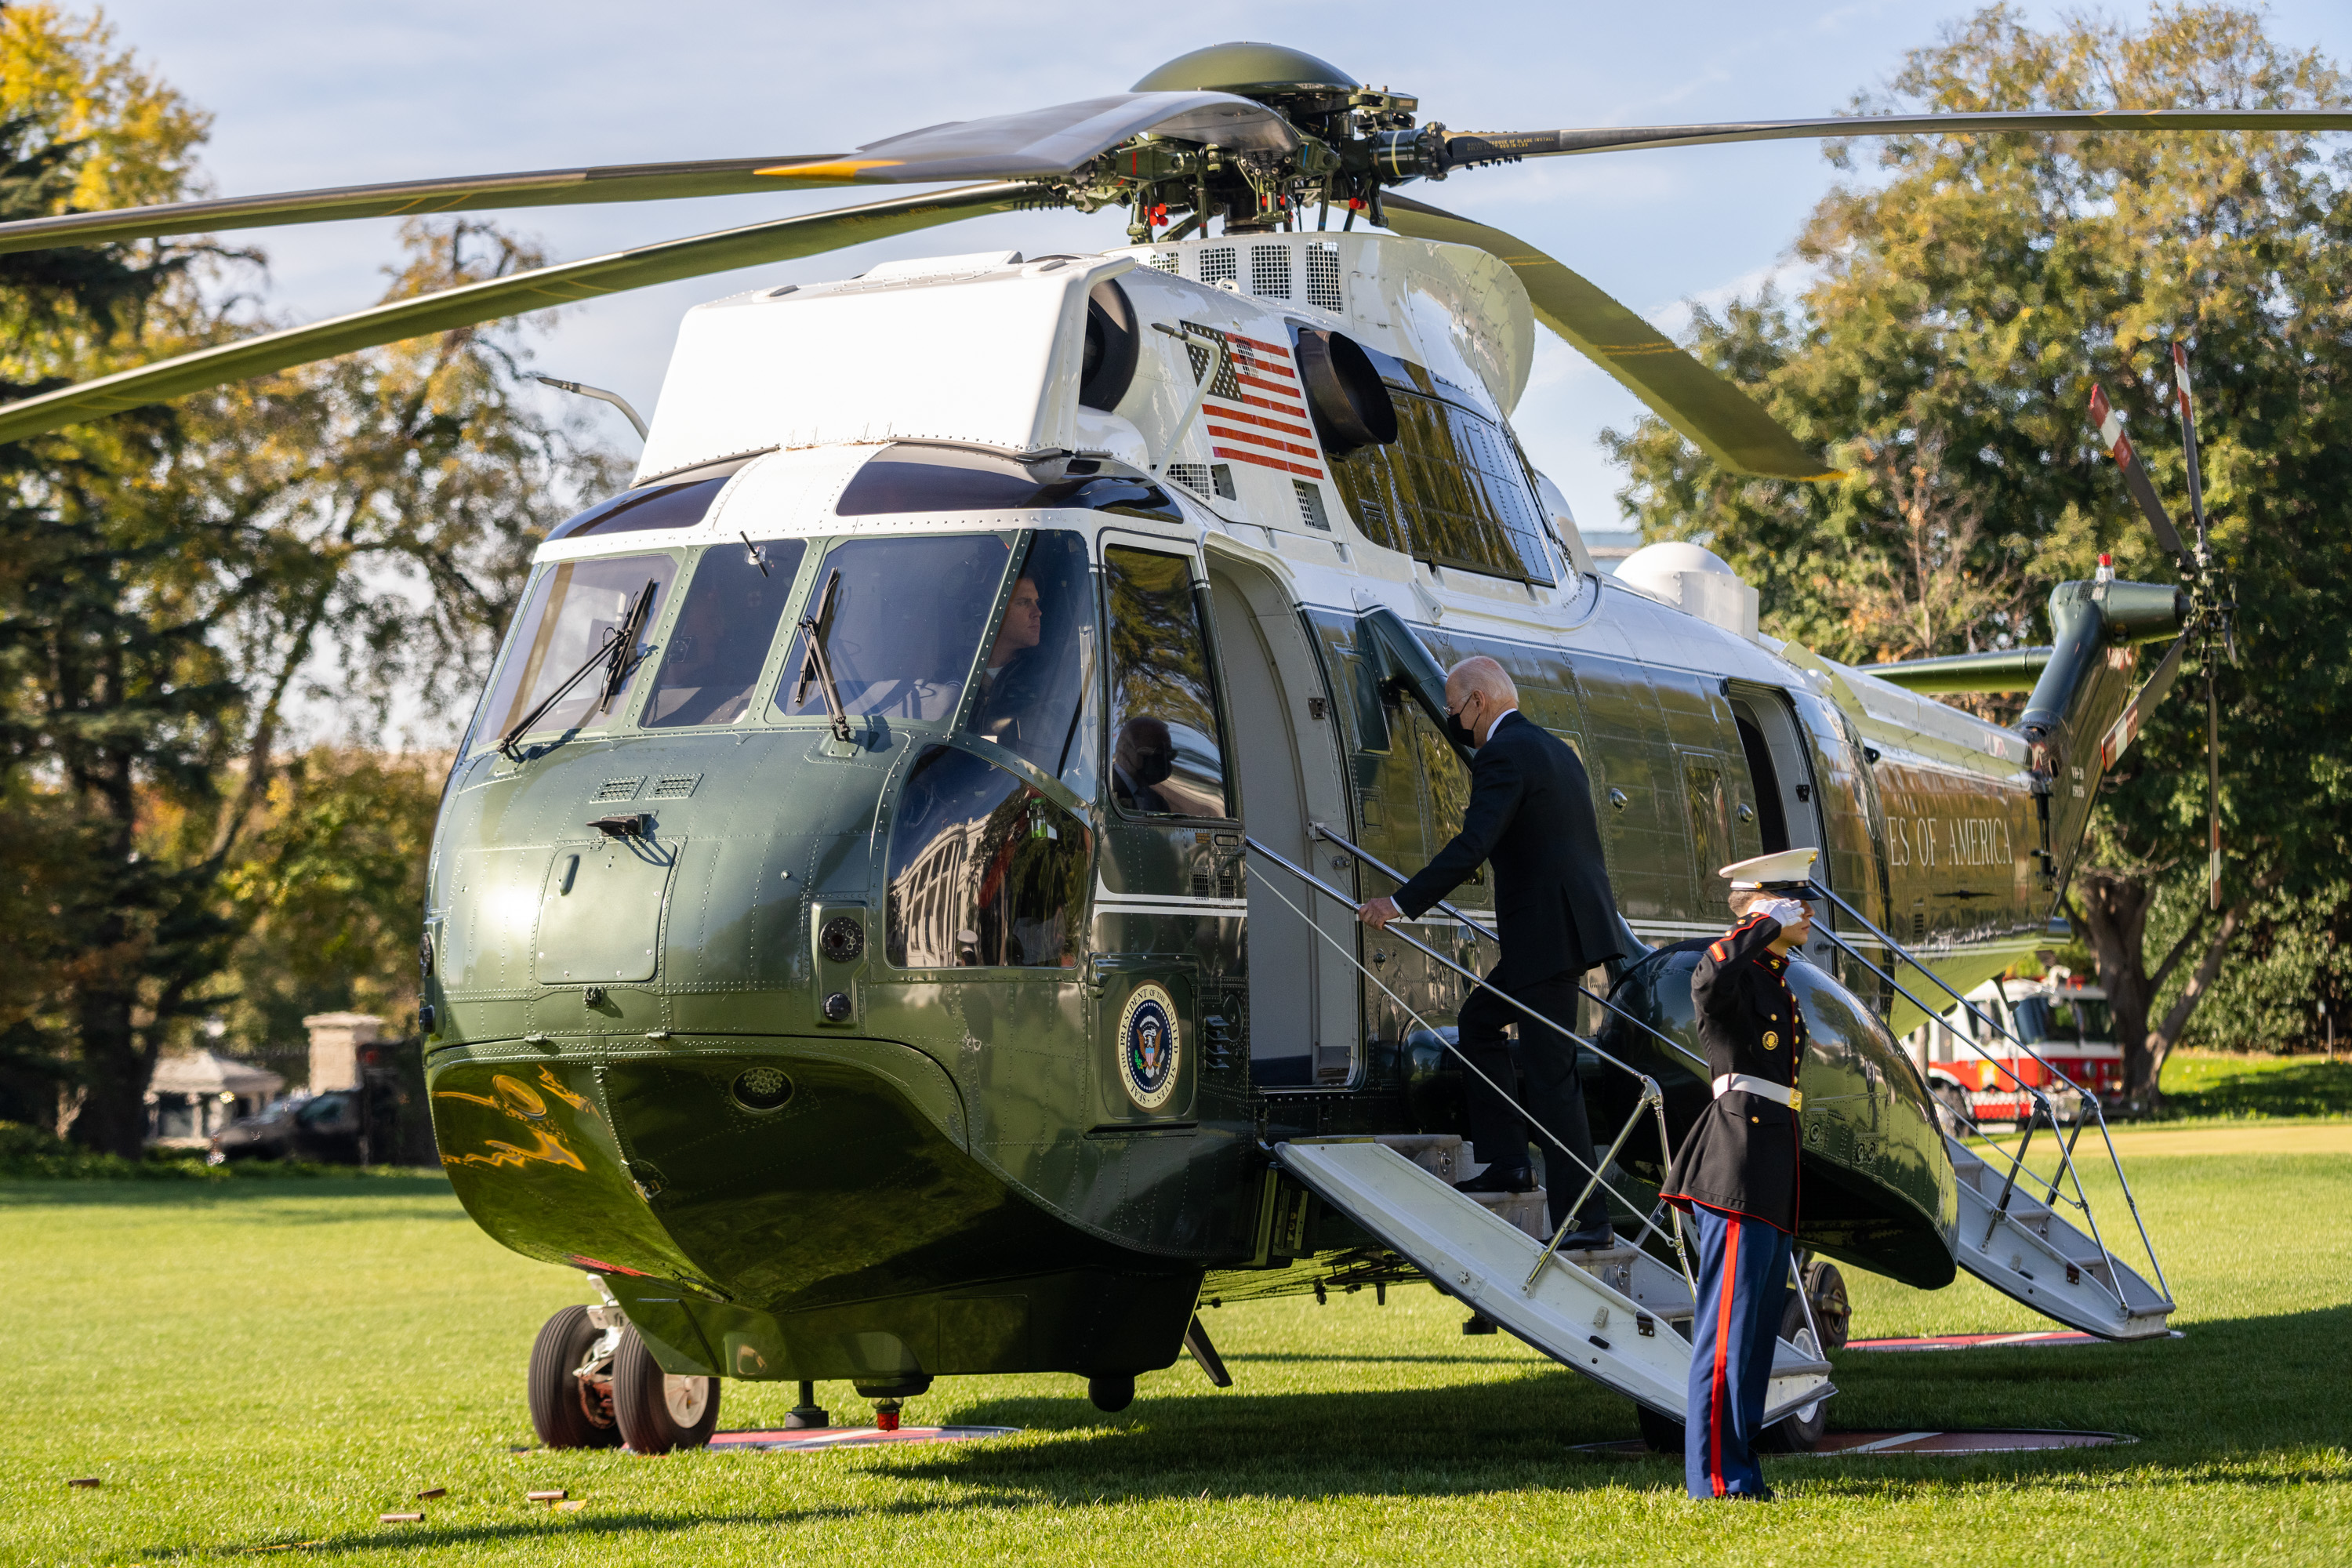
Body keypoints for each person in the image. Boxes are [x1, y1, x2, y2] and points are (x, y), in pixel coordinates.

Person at [1356, 655, 1626, 1247]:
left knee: (1552, 1078)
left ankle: (1588, 1219)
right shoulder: (1555, 750)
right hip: (1561, 933)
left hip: (1545, 937)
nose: (1457, 722)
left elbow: (1474, 844)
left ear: (1478, 701)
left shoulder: (1503, 753)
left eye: (1455, 710)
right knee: (1479, 1021)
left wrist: (1399, 904)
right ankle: (1508, 1161)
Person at [1659, 848, 1817, 1503]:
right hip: (1737, 1160)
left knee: (1751, 1340)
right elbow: (1708, 983)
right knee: (1724, 1334)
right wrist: (1756, 925)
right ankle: (1714, 1478)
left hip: (1770, 1168)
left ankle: (1741, 1470)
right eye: (1793, 900)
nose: (1807, 912)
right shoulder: (1730, 967)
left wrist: (1766, 933)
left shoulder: (1775, 978)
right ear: (1764, 903)